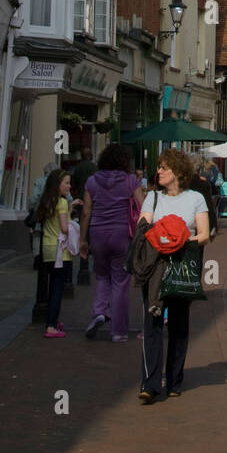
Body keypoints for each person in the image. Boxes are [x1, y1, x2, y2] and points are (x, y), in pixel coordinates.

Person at [137, 150, 210, 403]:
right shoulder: (152, 198)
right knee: (153, 322)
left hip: (182, 265)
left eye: (164, 168)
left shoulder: (196, 199)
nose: (158, 172)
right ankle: (150, 384)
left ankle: (175, 380)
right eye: (158, 168)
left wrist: (181, 239)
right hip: (156, 266)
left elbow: (204, 234)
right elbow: (143, 226)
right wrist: (161, 235)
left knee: (179, 325)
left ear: (177, 172)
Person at [80, 143, 144, 342]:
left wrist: (82, 239)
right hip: (121, 234)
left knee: (101, 276)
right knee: (120, 281)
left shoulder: (92, 181)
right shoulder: (130, 180)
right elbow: (142, 206)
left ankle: (99, 311)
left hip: (98, 233)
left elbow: (86, 211)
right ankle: (118, 331)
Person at [36, 169, 73, 337]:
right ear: (57, 184)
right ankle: (51, 325)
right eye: (66, 182)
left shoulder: (47, 201)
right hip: (60, 250)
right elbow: (65, 228)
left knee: (51, 286)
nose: (69, 186)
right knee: (57, 288)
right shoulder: (62, 202)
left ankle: (52, 321)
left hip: (47, 247)